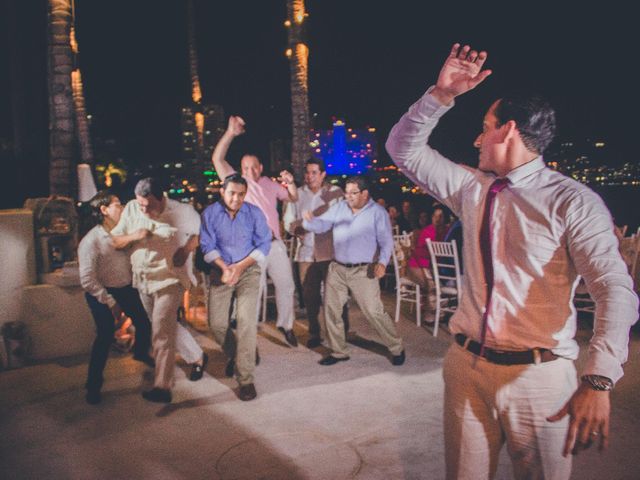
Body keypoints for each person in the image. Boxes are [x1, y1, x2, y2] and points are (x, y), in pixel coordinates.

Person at [386, 43, 638, 479]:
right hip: (466, 368)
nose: (476, 138)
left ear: (508, 131)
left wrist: (599, 378)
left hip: (538, 379)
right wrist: (440, 96)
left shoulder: (573, 202)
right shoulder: (472, 187)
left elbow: (613, 288)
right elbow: (403, 151)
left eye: (484, 127)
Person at [111, 177, 207, 403]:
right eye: (140, 204)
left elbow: (201, 235)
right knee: (163, 325)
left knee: (161, 330)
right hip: (143, 279)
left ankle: (162, 386)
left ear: (161, 198)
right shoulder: (133, 209)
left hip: (169, 278)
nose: (144, 210)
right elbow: (116, 240)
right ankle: (197, 357)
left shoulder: (183, 211)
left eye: (149, 205)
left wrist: (185, 250)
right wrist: (136, 235)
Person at [212, 115, 299, 347]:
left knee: (286, 285)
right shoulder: (238, 186)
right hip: (251, 249)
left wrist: (290, 182)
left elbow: (292, 197)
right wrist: (230, 133)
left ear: (260, 167)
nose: (249, 171)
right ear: (240, 170)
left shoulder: (270, 184)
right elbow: (217, 158)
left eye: (253, 167)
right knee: (254, 291)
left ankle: (286, 325)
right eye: (245, 167)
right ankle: (246, 337)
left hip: (275, 244)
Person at [302, 176, 405, 366]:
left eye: (353, 193)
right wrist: (310, 221)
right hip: (337, 268)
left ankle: (396, 347)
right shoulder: (340, 207)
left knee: (373, 311)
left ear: (365, 194)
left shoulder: (377, 213)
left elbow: (386, 241)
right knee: (332, 310)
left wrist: (382, 263)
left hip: (363, 271)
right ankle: (339, 351)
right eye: (346, 192)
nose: (348, 196)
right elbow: (322, 225)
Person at [200, 173, 272, 401]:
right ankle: (240, 354)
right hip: (220, 270)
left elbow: (264, 244)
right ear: (222, 191)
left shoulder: (254, 213)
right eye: (232, 193)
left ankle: (246, 379)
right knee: (217, 324)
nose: (236, 198)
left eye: (241, 194)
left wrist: (239, 267)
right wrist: (224, 268)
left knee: (246, 322)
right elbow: (206, 245)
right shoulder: (209, 214)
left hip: (248, 270)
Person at [78, 191, 154, 405]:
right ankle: (93, 385)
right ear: (104, 210)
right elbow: (86, 279)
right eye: (117, 204)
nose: (122, 208)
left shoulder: (125, 231)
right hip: (99, 291)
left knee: (144, 321)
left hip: (125, 288)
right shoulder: (91, 240)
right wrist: (110, 301)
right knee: (104, 334)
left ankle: (140, 352)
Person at [283, 158, 349, 348]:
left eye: (314, 172)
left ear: (322, 174)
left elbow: (342, 217)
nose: (309, 176)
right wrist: (296, 230)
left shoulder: (334, 192)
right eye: (307, 172)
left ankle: (340, 331)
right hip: (306, 253)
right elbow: (288, 221)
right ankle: (314, 332)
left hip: (330, 252)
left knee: (335, 294)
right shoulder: (297, 194)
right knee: (310, 295)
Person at [406, 205, 449, 322]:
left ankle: (439, 313)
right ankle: (431, 314)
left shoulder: (447, 231)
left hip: (436, 267)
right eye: (435, 216)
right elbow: (418, 254)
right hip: (418, 265)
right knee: (433, 284)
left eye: (441, 216)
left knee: (443, 283)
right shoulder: (427, 231)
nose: (437, 219)